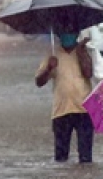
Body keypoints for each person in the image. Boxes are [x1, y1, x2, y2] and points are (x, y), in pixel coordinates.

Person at [35, 33, 95, 163]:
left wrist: (81, 52)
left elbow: (88, 73)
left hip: (84, 110)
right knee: (61, 158)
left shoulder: (85, 51)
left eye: (71, 32)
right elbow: (39, 82)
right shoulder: (52, 54)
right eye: (64, 32)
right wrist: (49, 68)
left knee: (86, 158)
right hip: (61, 111)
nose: (68, 35)